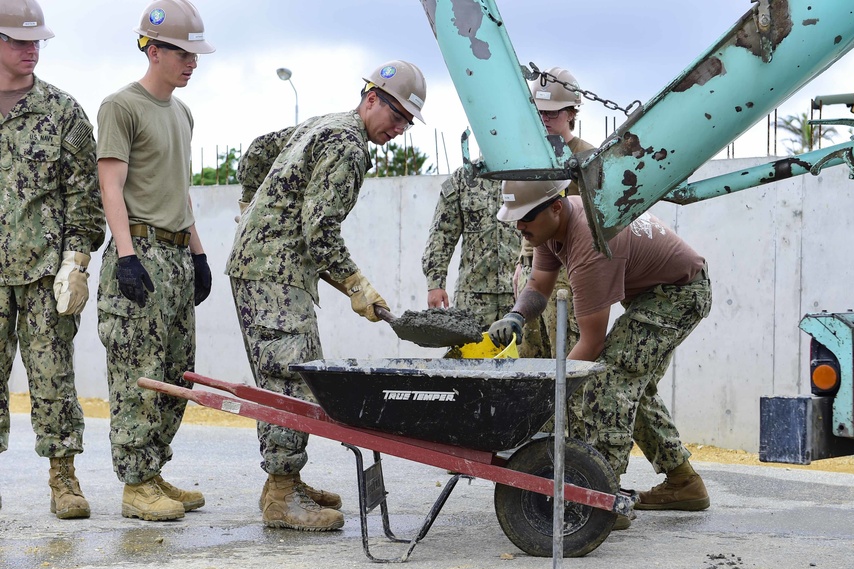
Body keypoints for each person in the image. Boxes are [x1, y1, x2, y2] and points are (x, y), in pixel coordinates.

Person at [226, 60, 428, 532]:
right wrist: (357, 286)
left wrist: (250, 209)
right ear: (371, 98)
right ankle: (281, 495)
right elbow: (320, 232)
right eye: (395, 116)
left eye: (406, 123)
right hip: (272, 272)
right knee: (289, 379)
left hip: (270, 267)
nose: (398, 129)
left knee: (297, 370)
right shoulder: (349, 145)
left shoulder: (325, 124)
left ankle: (286, 479)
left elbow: (257, 151)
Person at [489, 180, 712, 530]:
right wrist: (516, 315)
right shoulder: (550, 227)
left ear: (555, 208)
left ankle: (603, 499)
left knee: (610, 383)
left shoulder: (591, 241)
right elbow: (538, 285)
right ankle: (684, 482)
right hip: (654, 293)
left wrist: (548, 397)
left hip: (680, 295)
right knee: (630, 383)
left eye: (525, 218)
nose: (519, 227)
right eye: (514, 219)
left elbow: (590, 345)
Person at [95, 0, 215, 522]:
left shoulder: (182, 113)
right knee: (137, 373)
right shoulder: (121, 106)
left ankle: (153, 469)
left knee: (176, 374)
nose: (192, 63)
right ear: (155, 49)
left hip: (174, 255)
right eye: (184, 54)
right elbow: (111, 185)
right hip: (138, 251)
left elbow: (181, 192)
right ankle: (135, 484)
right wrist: (125, 255)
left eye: (195, 55)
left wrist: (199, 253)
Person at [0, 0, 104, 519]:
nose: (30, 49)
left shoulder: (62, 111)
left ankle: (63, 477)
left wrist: (78, 260)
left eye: (36, 40)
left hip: (46, 273)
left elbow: (83, 195)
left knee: (53, 380)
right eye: (19, 40)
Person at [515, 66, 593, 358]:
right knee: (529, 357)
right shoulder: (531, 155)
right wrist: (521, 263)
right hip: (534, 270)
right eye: (541, 113)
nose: (545, 120)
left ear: (572, 113)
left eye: (553, 113)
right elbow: (525, 215)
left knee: (566, 356)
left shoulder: (588, 158)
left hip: (569, 272)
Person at [421, 163, 519, 328]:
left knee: (526, 353)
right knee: (470, 352)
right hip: (473, 300)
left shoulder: (528, 174)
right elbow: (442, 233)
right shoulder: (463, 178)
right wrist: (435, 284)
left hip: (520, 297)